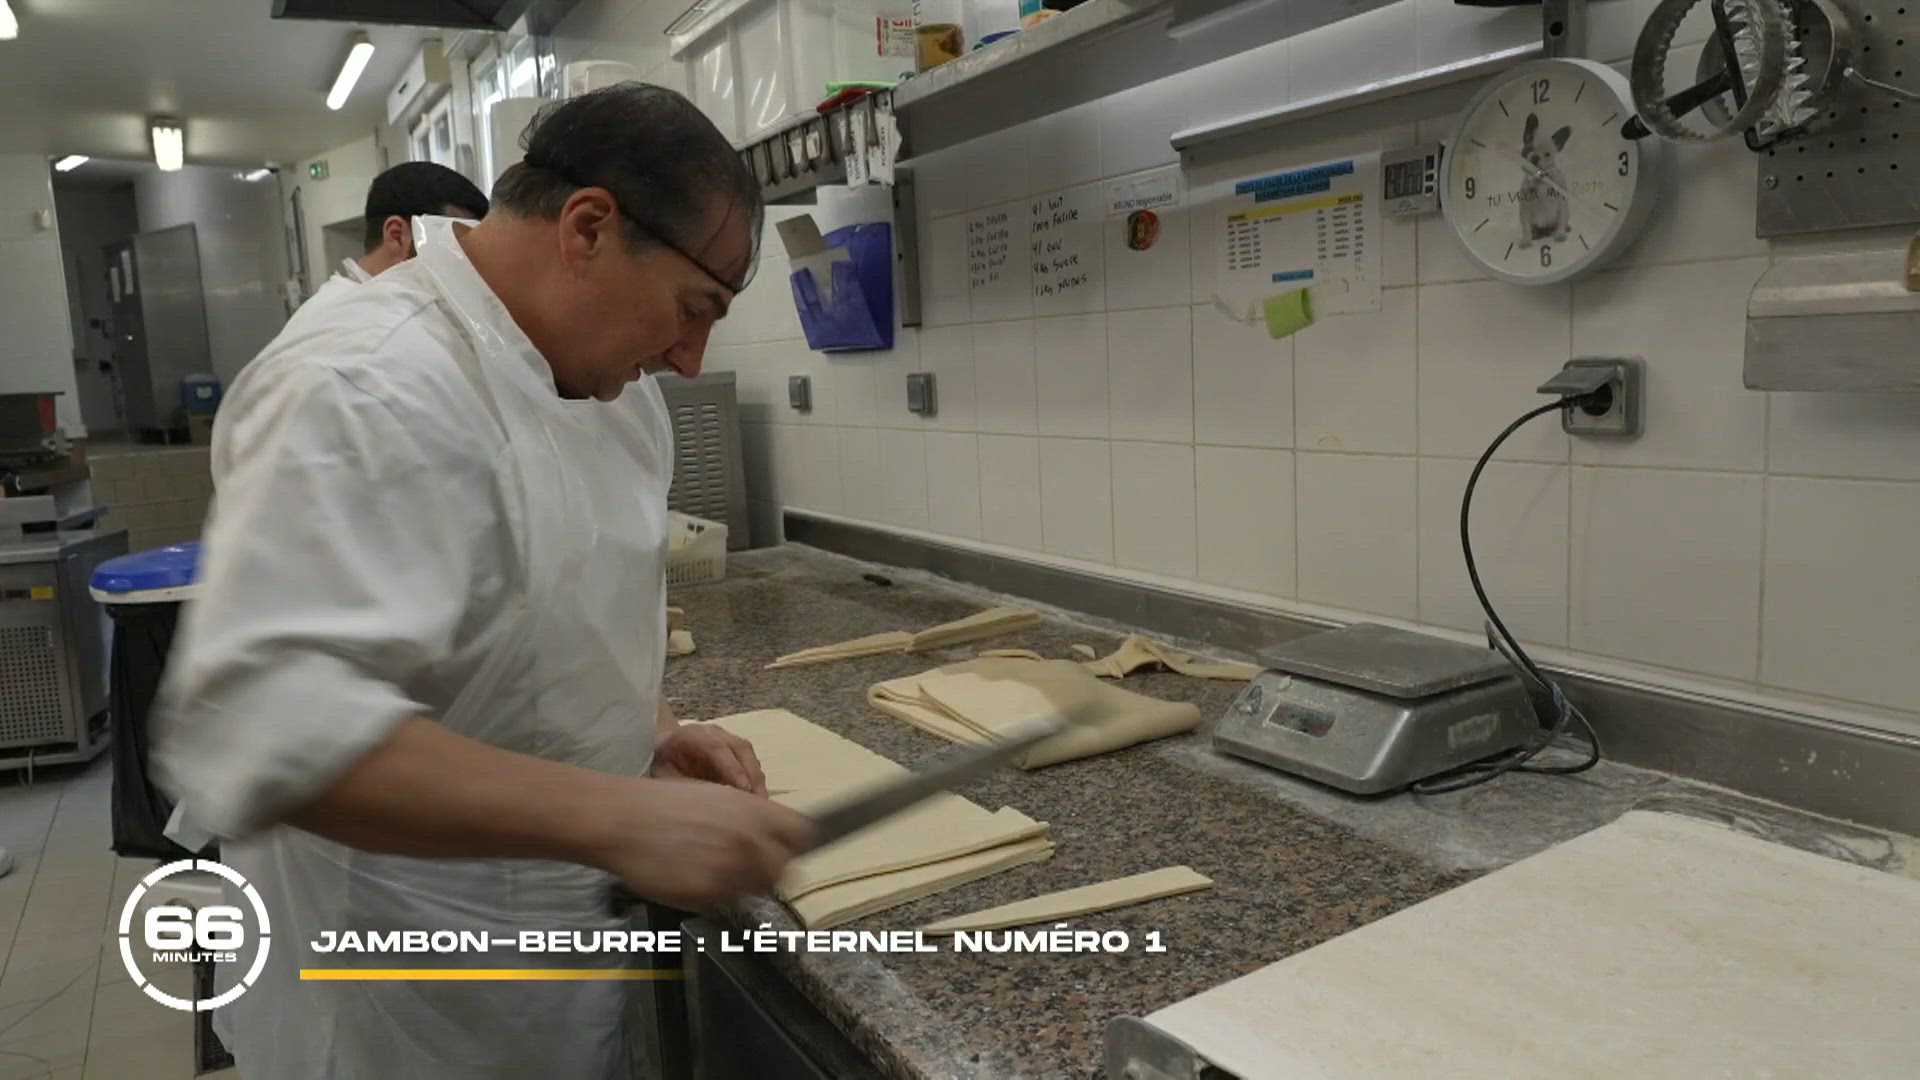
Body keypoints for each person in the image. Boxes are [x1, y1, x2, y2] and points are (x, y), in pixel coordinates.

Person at [151, 83, 813, 1079]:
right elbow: (269, 726)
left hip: (549, 963)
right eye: (692, 310)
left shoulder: (608, 391)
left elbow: (548, 619)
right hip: (396, 996)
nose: (689, 358)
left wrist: (650, 733)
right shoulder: (363, 384)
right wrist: (620, 819)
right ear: (588, 226)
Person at [305, 161, 490, 308]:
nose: (464, 266)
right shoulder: (352, 325)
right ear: (397, 236)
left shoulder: (385, 308)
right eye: (452, 245)